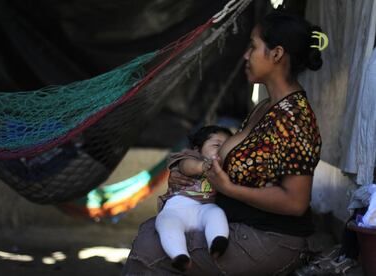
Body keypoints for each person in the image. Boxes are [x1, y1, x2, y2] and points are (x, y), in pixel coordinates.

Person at [123, 11, 324, 275]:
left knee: (149, 251)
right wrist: (187, 173)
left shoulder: (293, 116)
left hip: (271, 239)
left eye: (253, 47)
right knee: (154, 231)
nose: (245, 55)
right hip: (242, 226)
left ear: (276, 54)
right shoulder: (265, 107)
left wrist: (228, 188)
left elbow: (296, 202)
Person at [156, 125, 232, 272]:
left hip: (204, 209)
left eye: (226, 146)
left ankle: (217, 242)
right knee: (166, 224)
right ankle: (179, 256)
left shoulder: (226, 167)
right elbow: (186, 166)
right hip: (176, 210)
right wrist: (203, 165)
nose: (222, 150)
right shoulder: (190, 157)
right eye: (217, 145)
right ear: (197, 149)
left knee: (216, 214)